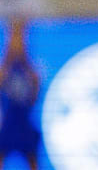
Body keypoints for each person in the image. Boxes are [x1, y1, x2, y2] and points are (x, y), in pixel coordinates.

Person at [0, 20, 41, 170]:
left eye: (20, 38)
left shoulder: (31, 71)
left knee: (32, 160)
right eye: (13, 38)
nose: (17, 43)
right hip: (8, 124)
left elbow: (35, 95)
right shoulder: (5, 69)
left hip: (25, 123)